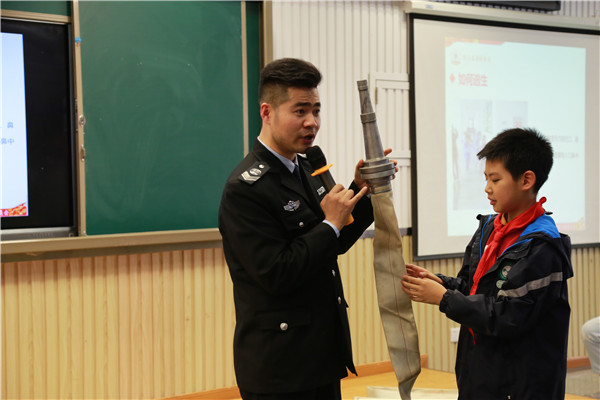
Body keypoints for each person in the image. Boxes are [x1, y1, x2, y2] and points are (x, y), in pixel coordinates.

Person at [218, 58, 389, 399]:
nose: (312, 122)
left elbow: (332, 242)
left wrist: (361, 190)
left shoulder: (309, 165)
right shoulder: (246, 189)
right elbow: (276, 273)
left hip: (321, 354)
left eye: (316, 110)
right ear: (267, 112)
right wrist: (329, 224)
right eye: (300, 111)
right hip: (280, 367)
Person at [401, 128, 573, 399]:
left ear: (526, 180)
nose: (487, 188)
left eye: (495, 179)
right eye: (486, 178)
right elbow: (474, 288)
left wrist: (444, 298)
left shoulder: (543, 246)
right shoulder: (488, 228)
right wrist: (441, 283)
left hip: (521, 383)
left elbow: (510, 316)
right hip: (481, 370)